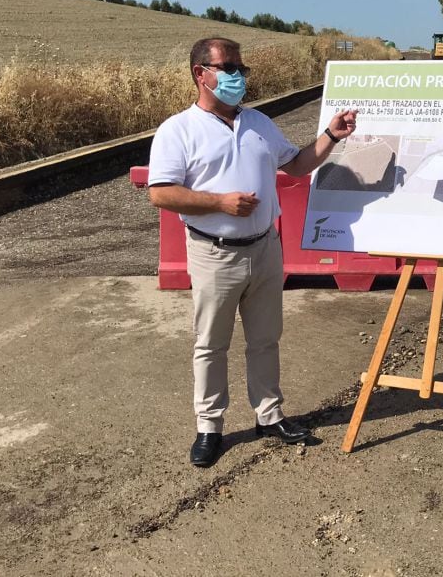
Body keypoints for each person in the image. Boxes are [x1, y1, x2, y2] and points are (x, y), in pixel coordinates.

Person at [147, 37, 358, 467]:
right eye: (227, 68)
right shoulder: (178, 130)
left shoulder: (260, 123)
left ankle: (269, 414)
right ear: (200, 74)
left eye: (240, 68)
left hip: (265, 249)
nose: (237, 76)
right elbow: (161, 194)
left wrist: (331, 136)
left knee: (265, 339)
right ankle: (210, 426)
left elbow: (296, 164)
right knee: (211, 344)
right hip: (214, 254)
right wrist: (219, 203)